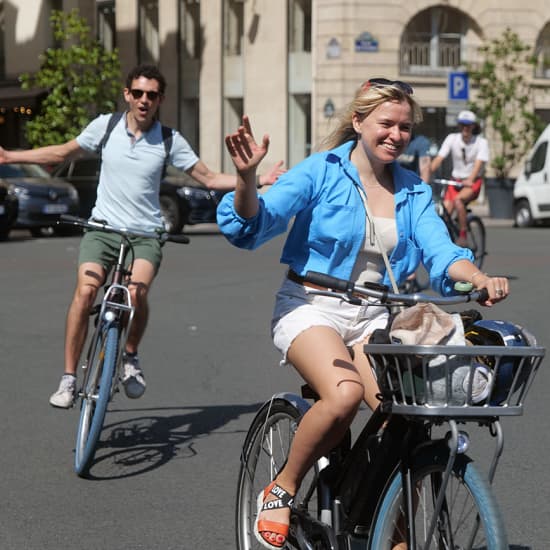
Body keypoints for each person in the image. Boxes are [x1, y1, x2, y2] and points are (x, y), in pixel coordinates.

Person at [217, 79, 508, 550]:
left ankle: (392, 534)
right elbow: (254, 223)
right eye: (386, 124)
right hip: (312, 306)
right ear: (358, 122)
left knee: (407, 420)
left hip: (376, 317)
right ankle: (284, 487)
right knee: (345, 394)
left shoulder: (413, 191)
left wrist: (476, 277)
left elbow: (441, 252)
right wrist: (247, 178)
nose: (396, 134)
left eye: (405, 127)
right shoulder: (321, 171)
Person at [0, 63, 284, 409]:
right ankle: (69, 378)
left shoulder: (168, 139)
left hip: (145, 235)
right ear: (127, 95)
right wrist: (10, 155)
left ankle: (130, 356)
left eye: (151, 95)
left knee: (136, 294)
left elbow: (207, 179)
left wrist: (257, 179)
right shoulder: (105, 127)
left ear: (160, 99)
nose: (144, 100)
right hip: (103, 229)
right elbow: (61, 152)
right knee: (86, 291)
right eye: (138, 93)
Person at [430, 110, 489, 246]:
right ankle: (444, 240)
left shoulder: (481, 143)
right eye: (462, 125)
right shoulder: (452, 138)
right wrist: (428, 173)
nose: (465, 128)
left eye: (468, 125)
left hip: (471, 182)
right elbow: (440, 158)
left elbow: (478, 164)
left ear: (474, 126)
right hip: (455, 181)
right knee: (445, 211)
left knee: (458, 201)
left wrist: (470, 179)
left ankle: (463, 235)